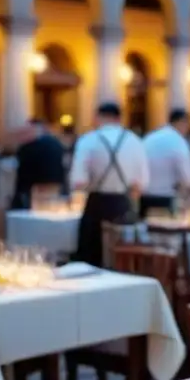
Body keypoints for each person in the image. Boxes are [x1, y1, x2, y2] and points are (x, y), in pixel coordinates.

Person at [69, 102, 149, 267]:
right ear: (120, 118)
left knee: (91, 260)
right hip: (123, 206)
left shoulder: (88, 140)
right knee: (123, 261)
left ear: (97, 117)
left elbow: (78, 181)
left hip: (96, 205)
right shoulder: (134, 141)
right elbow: (142, 183)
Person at [140, 109, 190, 216]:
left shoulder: (149, 138)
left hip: (144, 198)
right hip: (166, 200)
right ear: (182, 122)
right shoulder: (178, 142)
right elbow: (189, 180)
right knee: (165, 231)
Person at [12, 119, 66, 209]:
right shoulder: (57, 144)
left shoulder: (28, 147)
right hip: (55, 186)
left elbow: (23, 172)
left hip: (35, 189)